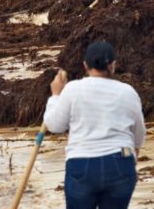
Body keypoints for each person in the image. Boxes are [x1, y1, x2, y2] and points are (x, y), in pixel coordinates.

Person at [43, 41, 146, 209]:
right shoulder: (128, 91)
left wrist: (55, 95)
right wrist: (131, 157)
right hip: (121, 159)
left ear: (85, 65)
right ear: (113, 65)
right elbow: (139, 134)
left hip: (82, 163)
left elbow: (54, 125)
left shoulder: (72, 89)